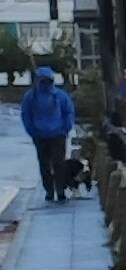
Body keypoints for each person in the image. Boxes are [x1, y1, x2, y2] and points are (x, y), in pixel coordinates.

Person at [20, 68, 73, 202]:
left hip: (58, 135)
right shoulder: (31, 97)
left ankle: (60, 189)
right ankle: (49, 190)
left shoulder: (60, 95)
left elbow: (69, 111)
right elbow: (26, 115)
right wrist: (32, 131)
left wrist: (65, 128)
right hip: (40, 136)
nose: (46, 83)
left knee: (58, 163)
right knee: (44, 164)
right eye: (43, 80)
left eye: (48, 80)